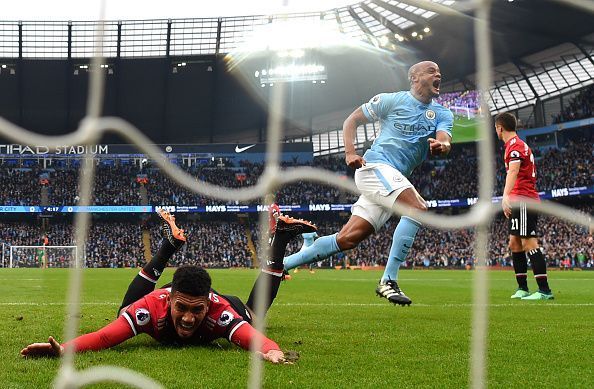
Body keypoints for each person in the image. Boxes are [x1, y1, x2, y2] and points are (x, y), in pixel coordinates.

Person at [21, 209, 317, 361]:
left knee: (254, 316)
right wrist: (64, 350)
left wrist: (274, 350)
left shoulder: (220, 312)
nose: (189, 318)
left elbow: (259, 342)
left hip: (227, 301)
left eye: (196, 310)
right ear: (169, 300)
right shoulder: (151, 307)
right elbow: (103, 338)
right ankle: (169, 247)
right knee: (125, 313)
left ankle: (280, 240)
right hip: (164, 297)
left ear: (208, 304)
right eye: (182, 309)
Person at [282, 61, 453, 306]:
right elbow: (352, 120)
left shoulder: (442, 113)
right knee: (417, 208)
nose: (438, 74)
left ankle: (283, 264)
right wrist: (350, 153)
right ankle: (388, 280)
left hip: (393, 180)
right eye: (431, 70)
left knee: (347, 239)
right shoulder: (392, 100)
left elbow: (444, 140)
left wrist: (443, 146)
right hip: (374, 167)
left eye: (439, 70)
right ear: (414, 78)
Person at [495, 112, 554, 300]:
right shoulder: (516, 145)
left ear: (500, 128)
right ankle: (523, 287)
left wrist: (505, 196)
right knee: (514, 243)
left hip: (523, 199)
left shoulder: (515, 146)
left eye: (496, 128)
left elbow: (513, 170)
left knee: (529, 242)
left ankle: (544, 290)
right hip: (520, 199)